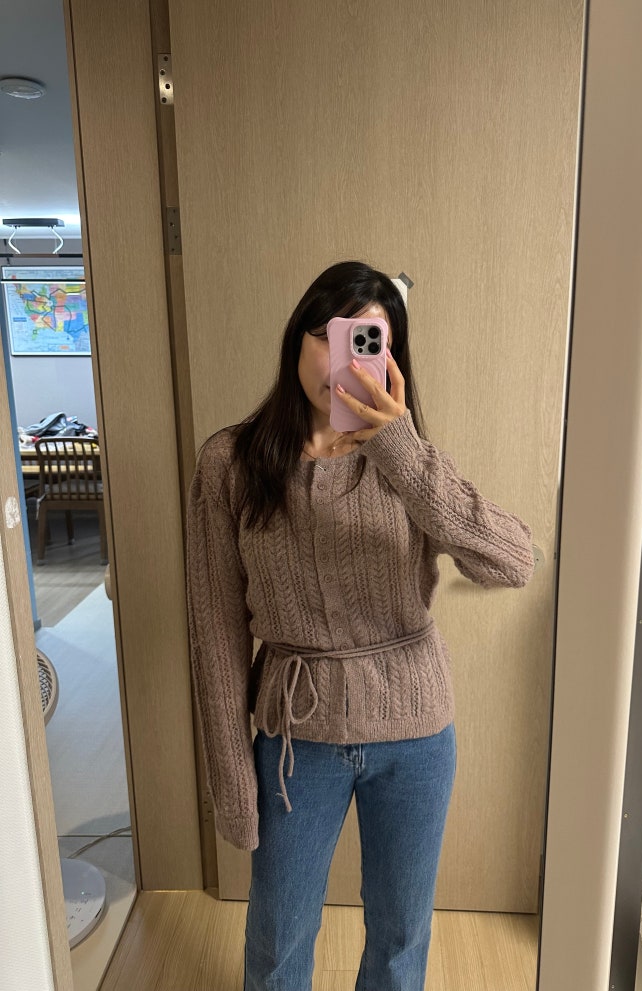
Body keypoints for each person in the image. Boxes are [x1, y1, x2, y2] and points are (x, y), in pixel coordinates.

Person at [186, 260, 534, 991]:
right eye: (327, 334)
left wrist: (399, 449)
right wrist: (231, 776)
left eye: (366, 342)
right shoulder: (230, 463)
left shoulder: (408, 465)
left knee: (401, 938)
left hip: (414, 736)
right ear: (297, 339)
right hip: (295, 738)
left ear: (390, 358)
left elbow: (512, 561)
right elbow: (215, 634)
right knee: (277, 938)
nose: (339, 358)